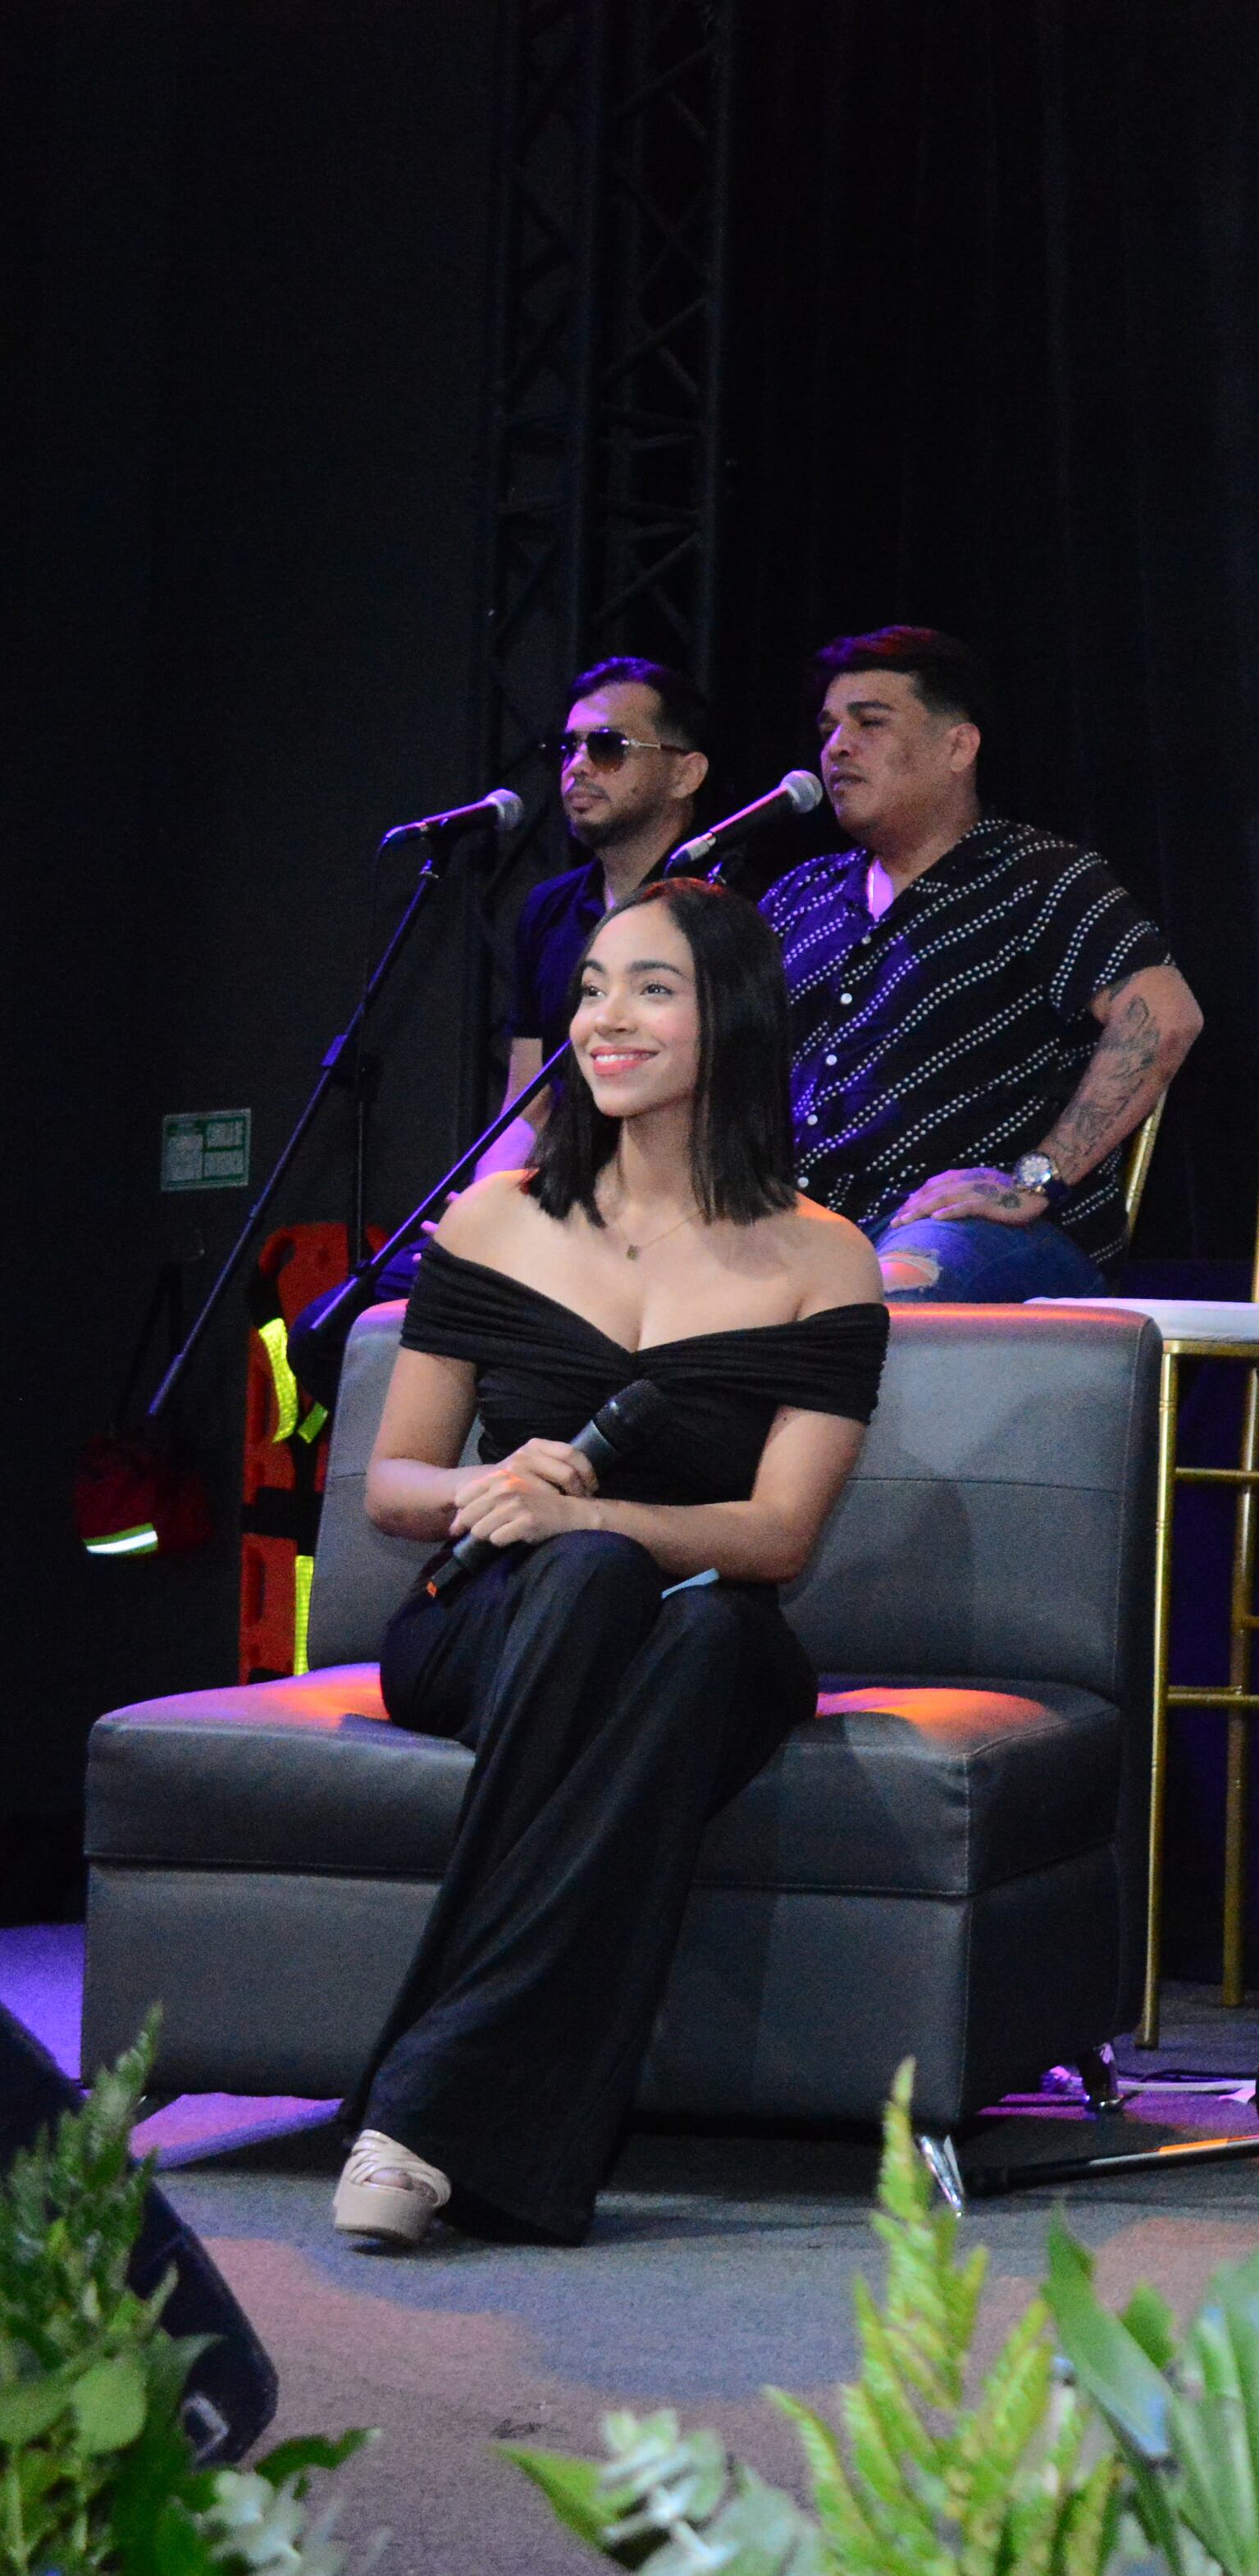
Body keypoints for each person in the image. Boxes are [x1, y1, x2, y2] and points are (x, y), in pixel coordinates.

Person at [339, 879, 888, 2248]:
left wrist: (606, 1520)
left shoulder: (826, 1259)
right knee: (583, 1588)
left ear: (732, 1019)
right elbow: (394, 1488)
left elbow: (779, 1537)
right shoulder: (494, 1219)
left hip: (712, 1617)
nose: (607, 1018)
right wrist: (496, 1485)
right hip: (494, 1610)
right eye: (592, 987)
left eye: (652, 987)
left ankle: (419, 2104)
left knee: (697, 1631)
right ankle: (448, 2108)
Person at [755, 627, 1204, 1300]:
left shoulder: (1041, 877)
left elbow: (1166, 1017)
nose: (837, 747)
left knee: (881, 1302)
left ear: (957, 746)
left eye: (870, 722)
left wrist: (1037, 1178)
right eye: (828, 728)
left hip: (972, 1233)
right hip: (804, 1226)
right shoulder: (798, 898)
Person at [477, 658, 714, 1183]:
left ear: (685, 773)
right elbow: (529, 1099)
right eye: (569, 748)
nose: (578, 766)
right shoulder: (548, 907)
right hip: (565, 1192)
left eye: (607, 746)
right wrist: (482, 1208)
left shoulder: (730, 904)